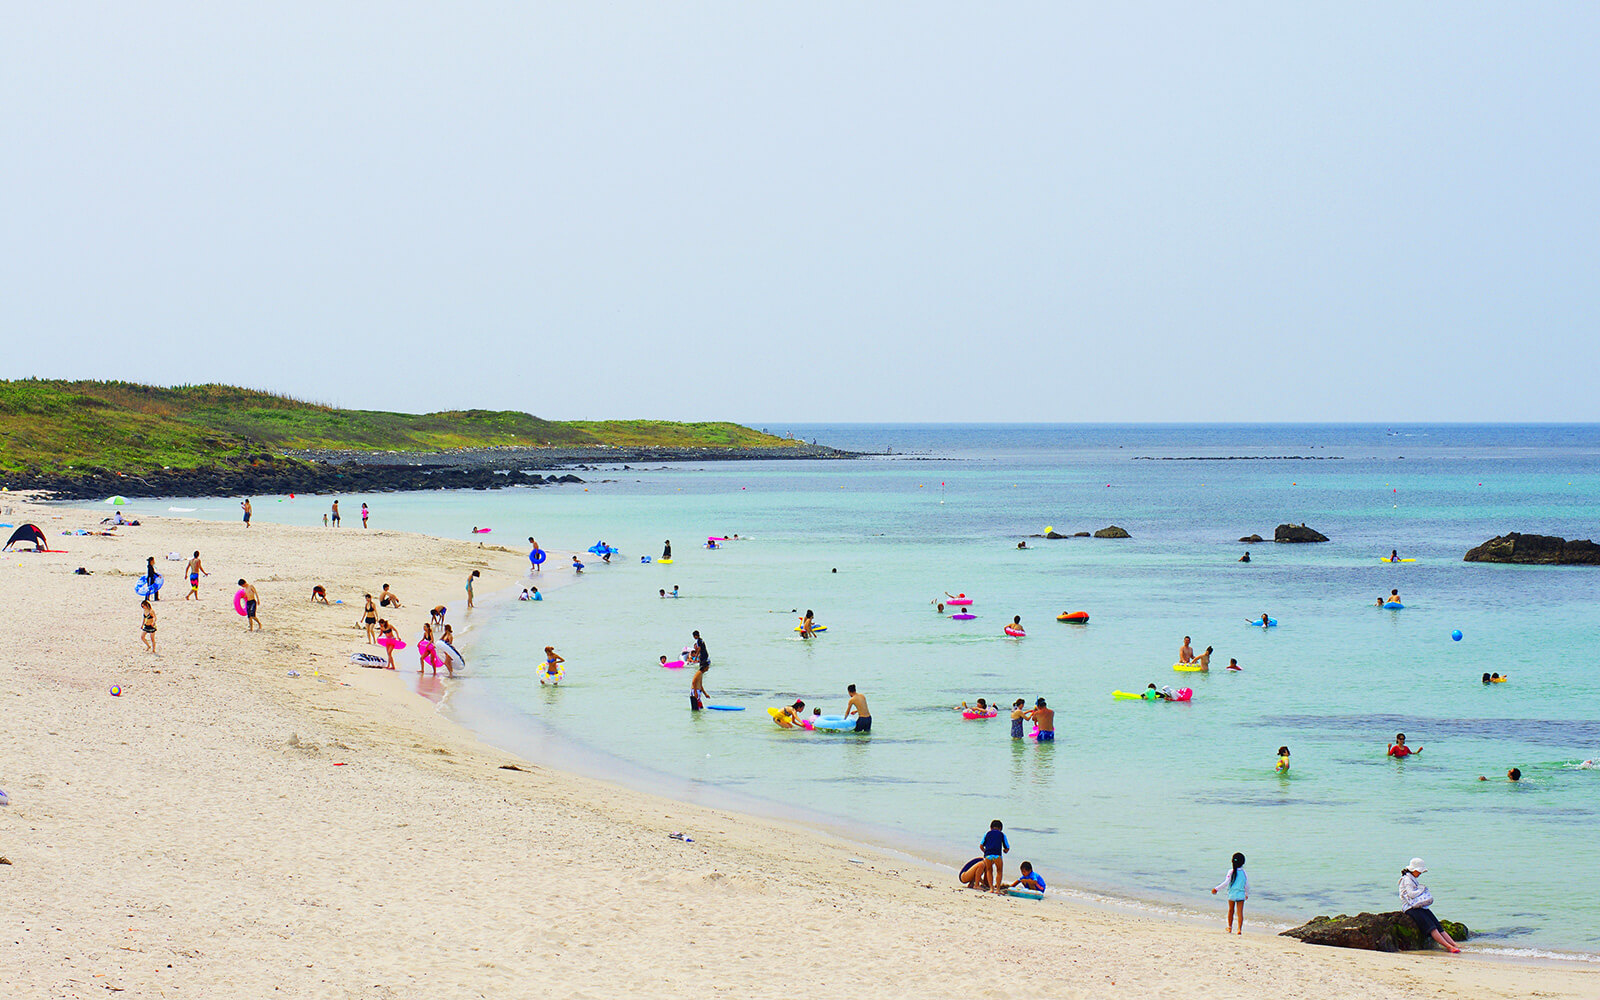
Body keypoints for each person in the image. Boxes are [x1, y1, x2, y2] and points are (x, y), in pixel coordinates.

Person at [1398, 859, 1462, 952]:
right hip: (1410, 908)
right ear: (1414, 870)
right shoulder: (1407, 880)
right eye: (1420, 871)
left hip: (1418, 906)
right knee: (1431, 927)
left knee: (1437, 924)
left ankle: (1454, 944)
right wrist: (1421, 889)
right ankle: (1449, 946)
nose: (1420, 873)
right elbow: (1411, 894)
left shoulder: (1412, 878)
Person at [1211, 852, 1248, 934]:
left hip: (1232, 894)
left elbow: (1226, 882)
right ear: (1243, 862)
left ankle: (1230, 927)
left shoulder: (1231, 871)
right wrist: (1246, 894)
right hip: (1241, 894)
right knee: (1240, 913)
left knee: (1231, 910)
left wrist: (1216, 889)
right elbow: (1246, 884)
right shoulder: (1244, 872)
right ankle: (1239, 929)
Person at [980, 820, 1010, 892]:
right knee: (999, 871)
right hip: (997, 855)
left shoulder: (987, 834)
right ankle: (998, 889)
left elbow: (981, 846)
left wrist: (985, 851)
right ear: (1000, 828)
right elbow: (1007, 847)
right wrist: (1005, 851)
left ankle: (991, 888)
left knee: (989, 870)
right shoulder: (1002, 835)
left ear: (990, 827)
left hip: (988, 855)